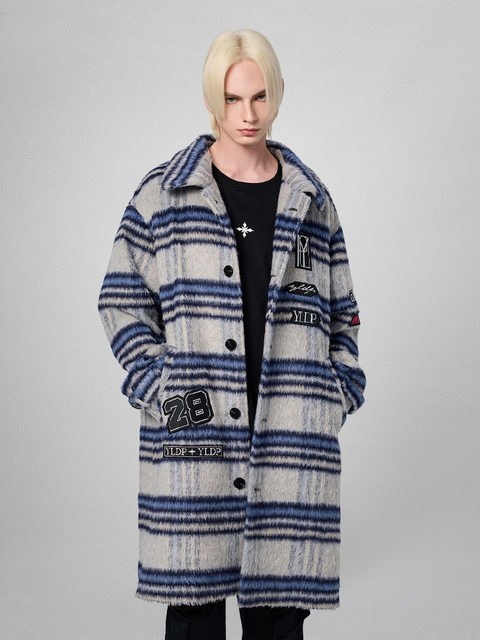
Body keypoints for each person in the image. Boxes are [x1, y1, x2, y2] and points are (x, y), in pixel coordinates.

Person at [97, 28, 366, 640]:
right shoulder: (164, 195)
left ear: (278, 95)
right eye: (233, 99)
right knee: (194, 618)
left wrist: (335, 391)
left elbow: (344, 310)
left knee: (279, 623)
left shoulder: (311, 200)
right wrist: (161, 388)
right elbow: (120, 299)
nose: (247, 114)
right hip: (197, 437)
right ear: (211, 99)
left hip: (290, 440)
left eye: (260, 97)